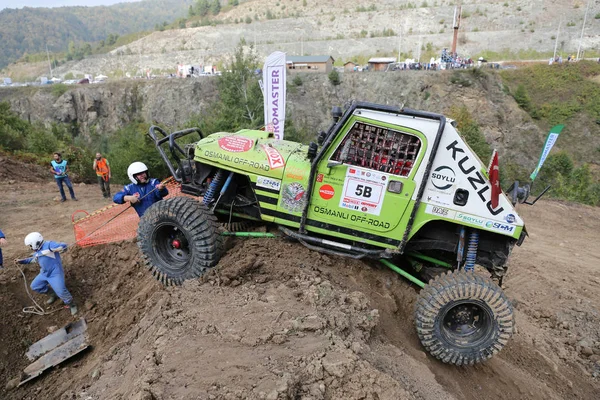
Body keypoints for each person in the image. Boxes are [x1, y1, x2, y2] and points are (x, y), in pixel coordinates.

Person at [15, 232, 77, 315]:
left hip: (55, 273)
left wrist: (61, 247)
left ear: (35, 243)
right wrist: (21, 261)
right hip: (44, 273)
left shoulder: (49, 245)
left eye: (30, 245)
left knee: (61, 291)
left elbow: (64, 245)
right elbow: (32, 259)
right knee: (35, 286)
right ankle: (53, 294)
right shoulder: (37, 251)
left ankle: (71, 305)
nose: (30, 248)